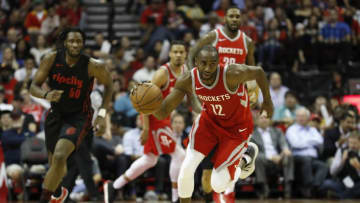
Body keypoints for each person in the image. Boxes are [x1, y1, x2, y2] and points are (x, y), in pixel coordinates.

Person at [149, 45, 273, 203]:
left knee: (218, 185)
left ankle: (245, 158)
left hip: (236, 128)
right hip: (209, 122)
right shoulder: (188, 79)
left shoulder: (232, 73)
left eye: (212, 63)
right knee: (187, 167)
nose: (208, 68)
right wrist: (148, 107)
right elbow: (164, 110)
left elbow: (259, 72)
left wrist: (268, 102)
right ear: (196, 62)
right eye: (203, 63)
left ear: (218, 62)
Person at [29, 28, 113, 203]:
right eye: (72, 41)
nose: (75, 44)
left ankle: (44, 200)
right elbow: (33, 86)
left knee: (60, 156)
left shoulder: (93, 65)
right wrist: (46, 95)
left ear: (83, 44)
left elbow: (109, 86)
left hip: (79, 117)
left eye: (79, 41)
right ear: (65, 43)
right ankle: (58, 194)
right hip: (55, 115)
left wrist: (102, 115)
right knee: (55, 164)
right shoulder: (50, 59)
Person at [186, 6, 258, 201]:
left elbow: (252, 69)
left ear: (241, 19)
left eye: (237, 15)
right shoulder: (213, 36)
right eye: (231, 15)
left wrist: (255, 88)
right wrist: (194, 87)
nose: (234, 18)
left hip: (236, 105)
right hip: (212, 102)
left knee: (229, 159)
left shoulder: (247, 42)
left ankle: (227, 196)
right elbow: (192, 53)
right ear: (224, 18)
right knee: (207, 168)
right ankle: (216, 196)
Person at [104, 41, 187, 203]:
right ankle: (176, 197)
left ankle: (114, 186)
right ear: (169, 54)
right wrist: (146, 129)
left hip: (165, 119)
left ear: (185, 54)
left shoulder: (185, 72)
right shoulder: (162, 74)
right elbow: (144, 99)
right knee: (179, 154)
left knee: (150, 159)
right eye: (175, 52)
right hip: (153, 119)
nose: (178, 55)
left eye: (181, 52)